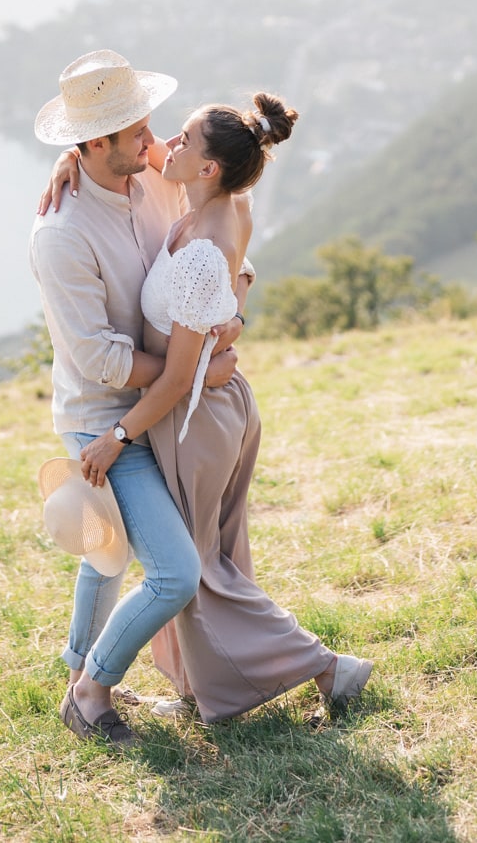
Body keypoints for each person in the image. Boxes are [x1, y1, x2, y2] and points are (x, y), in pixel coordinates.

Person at [75, 92, 374, 724]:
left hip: (194, 421)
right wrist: (70, 163)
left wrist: (118, 437)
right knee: (215, 556)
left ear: (208, 167)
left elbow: (180, 377)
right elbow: (134, 158)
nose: (167, 148)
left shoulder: (203, 251)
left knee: (203, 569)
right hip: (218, 407)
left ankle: (327, 667)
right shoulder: (231, 199)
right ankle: (205, 689)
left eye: (183, 141)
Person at [28, 50, 249, 750]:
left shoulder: (152, 173)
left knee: (113, 554)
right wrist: (190, 371)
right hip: (104, 415)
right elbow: (98, 357)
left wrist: (232, 309)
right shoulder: (61, 235)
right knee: (172, 571)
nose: (154, 141)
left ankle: (78, 674)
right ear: (94, 144)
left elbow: (224, 211)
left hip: (163, 400)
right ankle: (90, 692)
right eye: (135, 133)